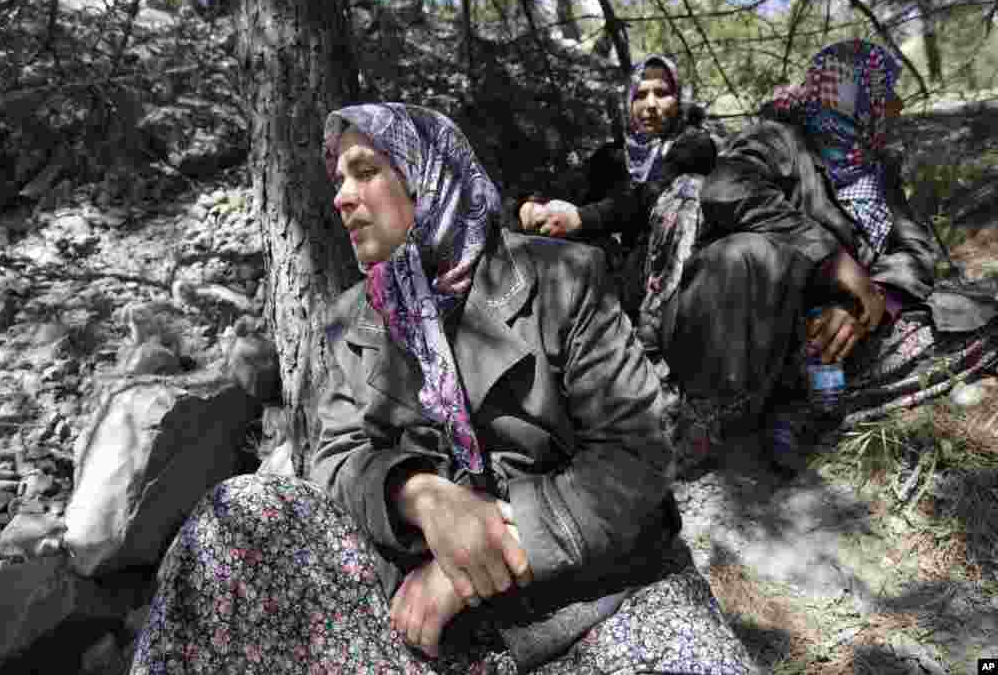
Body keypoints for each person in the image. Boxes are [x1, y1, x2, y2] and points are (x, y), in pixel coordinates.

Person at [128, 103, 756, 674]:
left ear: (428, 175)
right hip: (425, 631)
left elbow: (635, 460)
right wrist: (423, 496)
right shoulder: (354, 320)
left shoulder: (563, 278)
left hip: (597, 599)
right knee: (235, 515)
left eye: (365, 170)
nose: (343, 198)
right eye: (338, 182)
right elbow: (335, 460)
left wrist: (470, 567)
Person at [652, 38, 997, 473]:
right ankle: (706, 417)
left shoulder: (877, 170)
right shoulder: (778, 142)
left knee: (973, 310)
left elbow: (912, 249)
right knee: (745, 253)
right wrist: (832, 258)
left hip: (829, 339)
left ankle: (798, 407)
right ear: (853, 97)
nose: (895, 105)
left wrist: (865, 301)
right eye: (883, 92)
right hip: (743, 333)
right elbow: (727, 190)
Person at [516, 54, 720, 317]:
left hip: (672, 284)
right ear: (628, 101)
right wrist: (530, 205)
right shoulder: (614, 155)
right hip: (617, 280)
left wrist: (580, 218)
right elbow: (567, 186)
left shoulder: (695, 146)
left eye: (662, 93)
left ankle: (658, 326)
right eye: (640, 94)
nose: (651, 104)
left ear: (678, 99)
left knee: (687, 188)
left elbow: (648, 197)